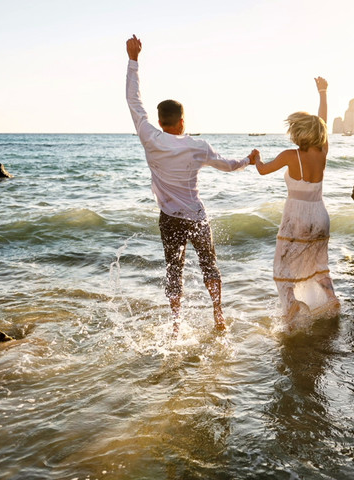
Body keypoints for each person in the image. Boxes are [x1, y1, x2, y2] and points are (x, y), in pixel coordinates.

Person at [125, 34, 259, 332]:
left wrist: (133, 60)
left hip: (169, 219)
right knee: (209, 265)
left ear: (160, 121)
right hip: (197, 218)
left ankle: (175, 323)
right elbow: (227, 165)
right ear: (182, 121)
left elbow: (133, 101)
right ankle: (218, 315)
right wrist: (249, 161)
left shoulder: (150, 136)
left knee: (174, 269)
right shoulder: (198, 146)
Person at [253, 76, 340, 326]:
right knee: (318, 263)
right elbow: (322, 121)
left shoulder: (290, 156)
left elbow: (262, 170)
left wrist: (256, 157)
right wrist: (323, 92)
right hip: (320, 216)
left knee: (283, 265)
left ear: (297, 133)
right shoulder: (322, 152)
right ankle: (331, 298)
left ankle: (291, 304)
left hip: (296, 217)